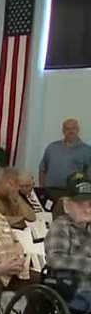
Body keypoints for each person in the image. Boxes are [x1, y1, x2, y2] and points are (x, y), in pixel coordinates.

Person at [46, 173, 91, 304]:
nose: (87, 210)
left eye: (89, 204)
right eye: (80, 204)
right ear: (67, 205)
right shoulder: (61, 226)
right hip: (74, 289)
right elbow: (55, 260)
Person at [39, 118, 91, 204]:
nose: (71, 131)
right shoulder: (52, 147)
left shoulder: (87, 151)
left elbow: (89, 176)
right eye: (67, 128)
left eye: (73, 128)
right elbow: (42, 169)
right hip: (50, 191)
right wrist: (42, 188)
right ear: (63, 131)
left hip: (73, 194)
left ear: (78, 130)